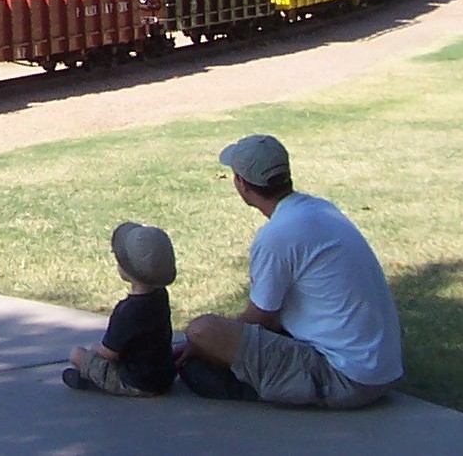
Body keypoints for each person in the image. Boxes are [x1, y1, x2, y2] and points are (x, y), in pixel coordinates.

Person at [175, 134, 403, 409]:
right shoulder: (320, 209)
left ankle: (255, 386)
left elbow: (261, 318)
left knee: (202, 331)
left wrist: (208, 343)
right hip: (379, 367)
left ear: (242, 184)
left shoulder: (276, 235)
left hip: (345, 377)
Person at [62, 221, 178, 397]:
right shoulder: (161, 295)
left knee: (77, 354)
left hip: (135, 382)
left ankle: (90, 380)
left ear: (125, 270)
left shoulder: (127, 311)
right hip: (164, 376)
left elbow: (110, 352)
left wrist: (94, 350)